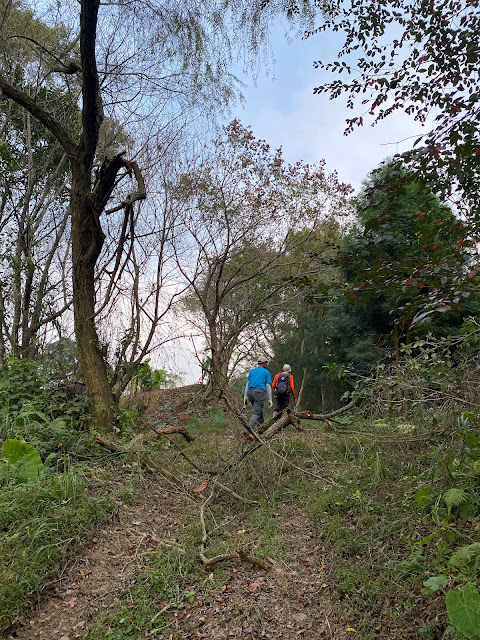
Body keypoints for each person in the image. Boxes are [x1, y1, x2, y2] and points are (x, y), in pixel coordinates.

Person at [244, 357, 273, 430]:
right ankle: (249, 430)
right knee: (257, 412)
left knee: (258, 410)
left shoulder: (251, 371)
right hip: (259, 392)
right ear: (263, 363)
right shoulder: (266, 372)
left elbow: (247, 384)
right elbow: (268, 386)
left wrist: (245, 396)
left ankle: (262, 428)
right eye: (266, 362)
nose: (267, 364)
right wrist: (270, 399)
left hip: (250, 392)